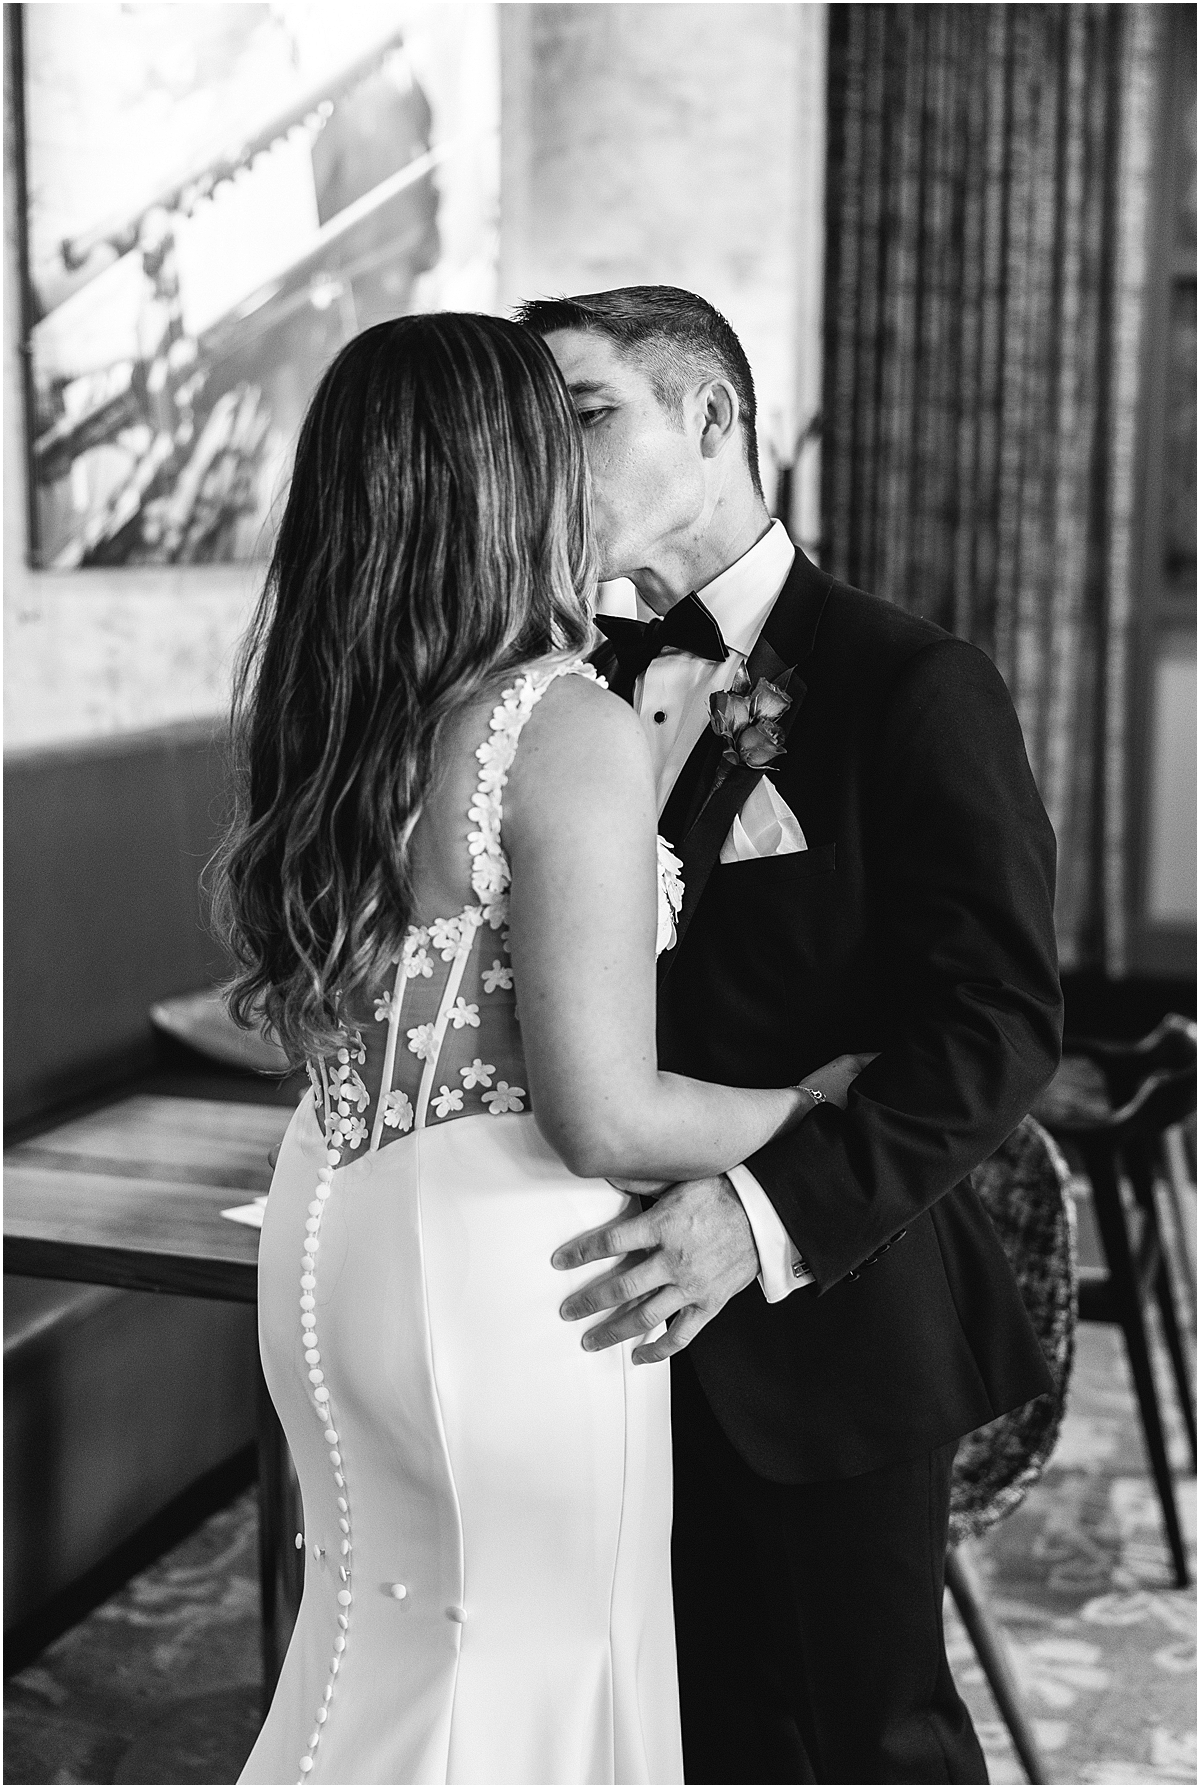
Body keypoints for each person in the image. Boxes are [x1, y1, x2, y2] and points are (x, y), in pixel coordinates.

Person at [217, 312, 868, 1787]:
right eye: (554, 435)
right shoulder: (558, 723)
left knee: (371, 1655)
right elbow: (606, 1116)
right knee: (530, 1684)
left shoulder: (330, 712)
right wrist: (809, 1101)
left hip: (335, 1228)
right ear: (504, 476)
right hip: (514, 1271)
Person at [517, 286, 1063, 1785]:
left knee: (861, 1745)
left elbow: (1000, 1023)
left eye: (584, 415)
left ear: (711, 416)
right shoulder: (558, 698)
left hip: (828, 1318)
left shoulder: (911, 683)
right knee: (675, 1737)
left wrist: (755, 1219)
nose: (548, 462)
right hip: (592, 1315)